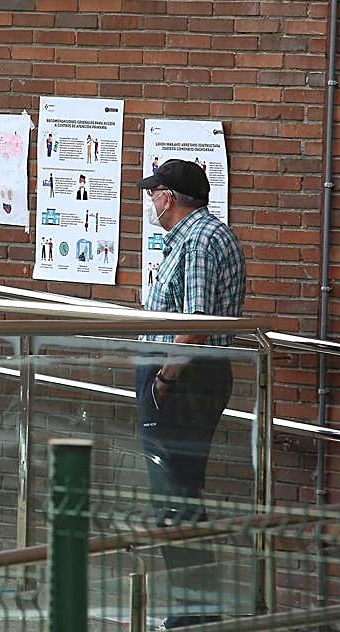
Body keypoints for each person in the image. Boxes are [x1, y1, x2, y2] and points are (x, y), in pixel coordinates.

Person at [135, 159, 246, 628]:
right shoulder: (206, 235)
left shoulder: (198, 241)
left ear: (169, 197)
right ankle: (194, 609)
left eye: (152, 193)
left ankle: (192, 613)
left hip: (184, 380)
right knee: (182, 494)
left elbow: (196, 323)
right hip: (191, 377)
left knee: (174, 496)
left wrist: (163, 380)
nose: (149, 202)